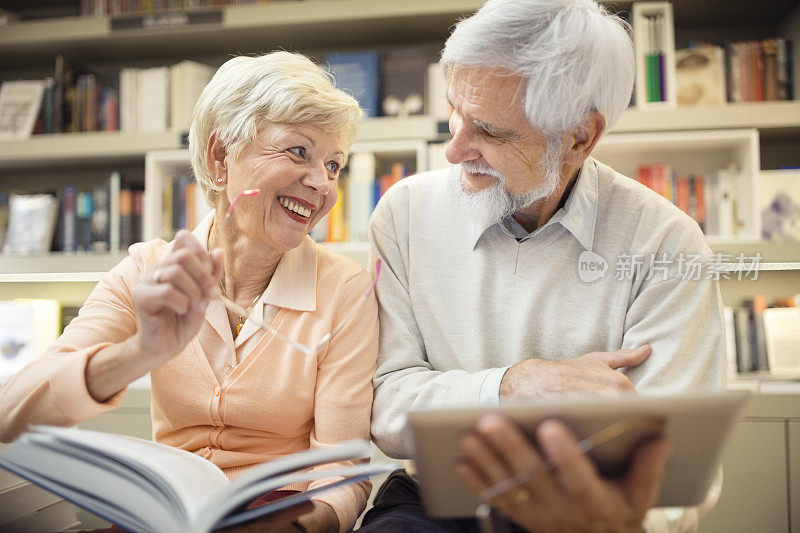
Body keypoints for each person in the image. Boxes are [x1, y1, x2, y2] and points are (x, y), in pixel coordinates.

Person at [361, 0, 724, 531]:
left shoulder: (667, 244)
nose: (455, 150)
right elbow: (385, 407)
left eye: (489, 131)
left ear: (580, 137)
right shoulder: (404, 212)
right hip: (434, 504)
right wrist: (511, 387)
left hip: (585, 515)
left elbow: (670, 472)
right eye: (455, 114)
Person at [0, 52, 378, 533]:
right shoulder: (147, 270)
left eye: (334, 165)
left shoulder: (345, 290)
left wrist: (302, 527)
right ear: (221, 157)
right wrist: (140, 352)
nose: (321, 183)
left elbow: (342, 474)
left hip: (279, 517)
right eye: (298, 152)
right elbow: (11, 414)